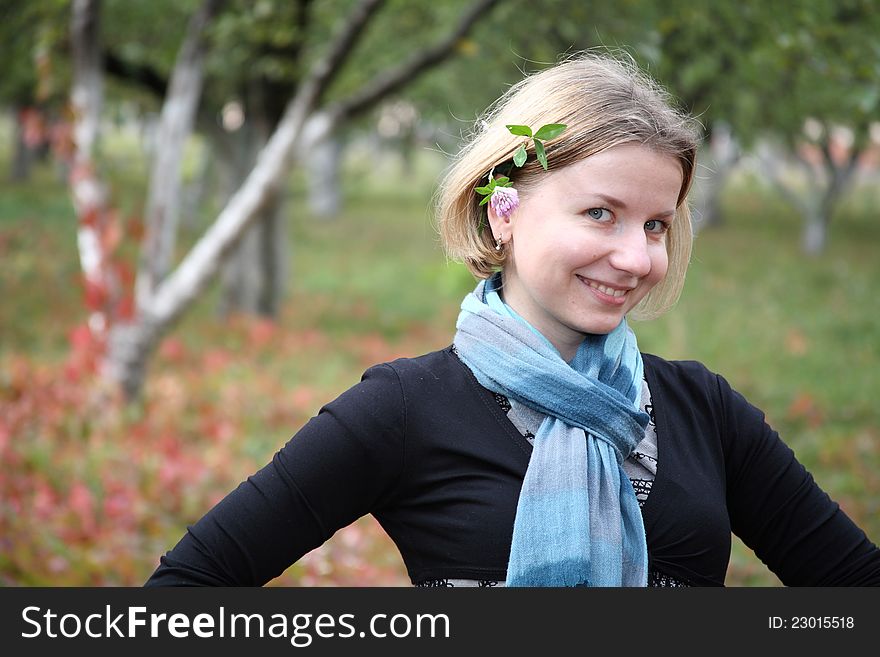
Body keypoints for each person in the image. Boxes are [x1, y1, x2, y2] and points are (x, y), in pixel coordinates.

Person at [144, 51, 880, 587]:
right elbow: (187, 592)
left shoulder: (704, 410)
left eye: (656, 225)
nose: (635, 256)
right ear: (505, 214)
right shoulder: (403, 409)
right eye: (600, 213)